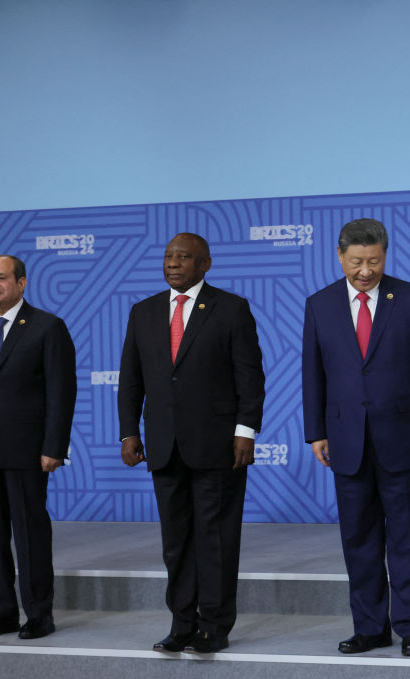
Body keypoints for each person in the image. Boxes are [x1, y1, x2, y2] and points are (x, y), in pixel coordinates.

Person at [302, 218, 410, 657]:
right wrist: (316, 432)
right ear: (340, 256)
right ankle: (369, 627)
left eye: (375, 261)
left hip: (404, 436)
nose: (366, 271)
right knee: (359, 539)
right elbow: (313, 374)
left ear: (385, 254)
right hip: (345, 440)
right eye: (357, 262)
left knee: (407, 537)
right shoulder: (319, 304)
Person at [118, 233, 265, 654]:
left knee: (215, 540)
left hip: (219, 446)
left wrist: (245, 431)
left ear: (205, 265)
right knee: (176, 542)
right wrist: (129, 432)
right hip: (164, 447)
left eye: (184, 257)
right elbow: (131, 380)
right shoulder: (143, 312)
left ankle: (214, 626)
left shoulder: (231, 309)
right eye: (168, 256)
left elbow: (249, 377)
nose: (173, 263)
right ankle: (182, 623)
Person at [0, 254, 77, 640]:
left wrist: (53, 446)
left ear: (21, 283)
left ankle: (39, 614)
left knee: (30, 534)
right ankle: (2, 612)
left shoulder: (47, 327)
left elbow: (62, 392)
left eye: (2, 278)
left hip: (30, 451)